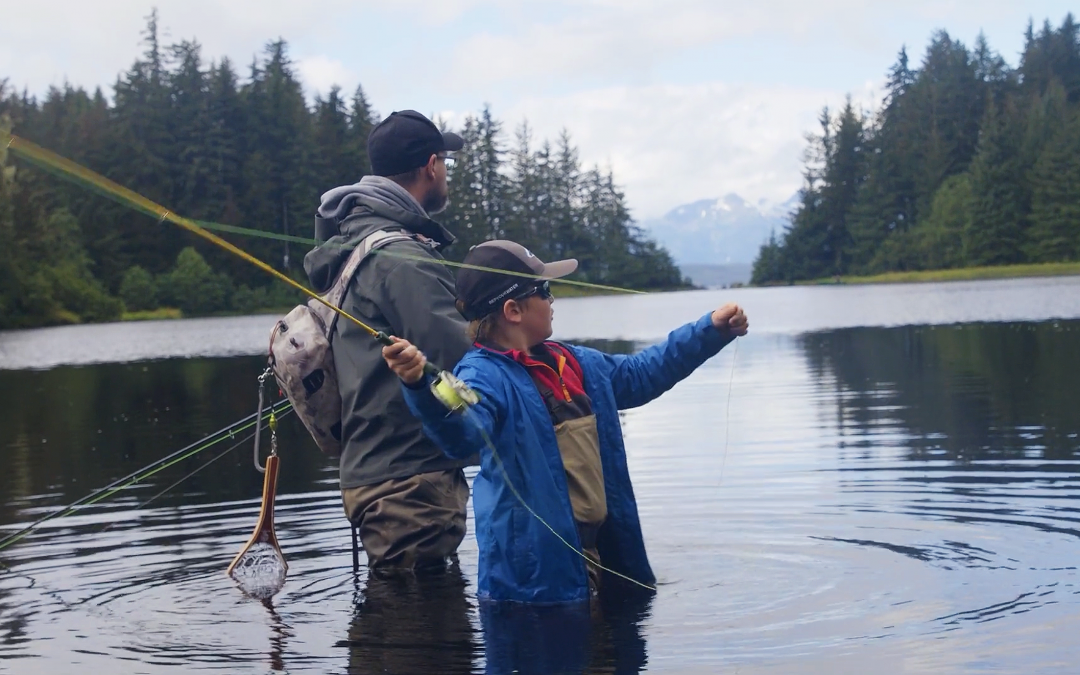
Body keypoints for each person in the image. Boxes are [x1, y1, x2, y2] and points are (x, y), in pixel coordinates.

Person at [382, 240, 749, 603]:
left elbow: (641, 374)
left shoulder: (575, 362)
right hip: (534, 587)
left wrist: (711, 330)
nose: (552, 299)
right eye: (544, 290)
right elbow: (462, 435)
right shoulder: (481, 377)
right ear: (513, 310)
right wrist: (418, 385)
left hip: (603, 559)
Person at [303, 110, 474, 572]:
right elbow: (463, 361)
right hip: (408, 480)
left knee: (403, 607)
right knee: (419, 613)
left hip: (376, 473)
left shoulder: (356, 243)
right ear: (431, 166)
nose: (446, 173)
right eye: (445, 163)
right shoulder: (401, 258)